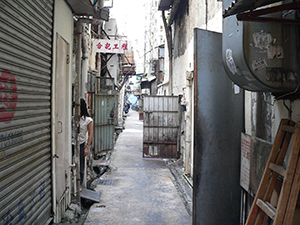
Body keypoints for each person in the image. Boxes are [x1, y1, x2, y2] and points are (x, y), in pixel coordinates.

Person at [78, 98, 93, 188]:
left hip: (81, 145)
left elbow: (90, 134)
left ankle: (80, 185)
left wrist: (87, 147)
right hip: (72, 144)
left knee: (81, 166)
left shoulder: (88, 120)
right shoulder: (73, 118)